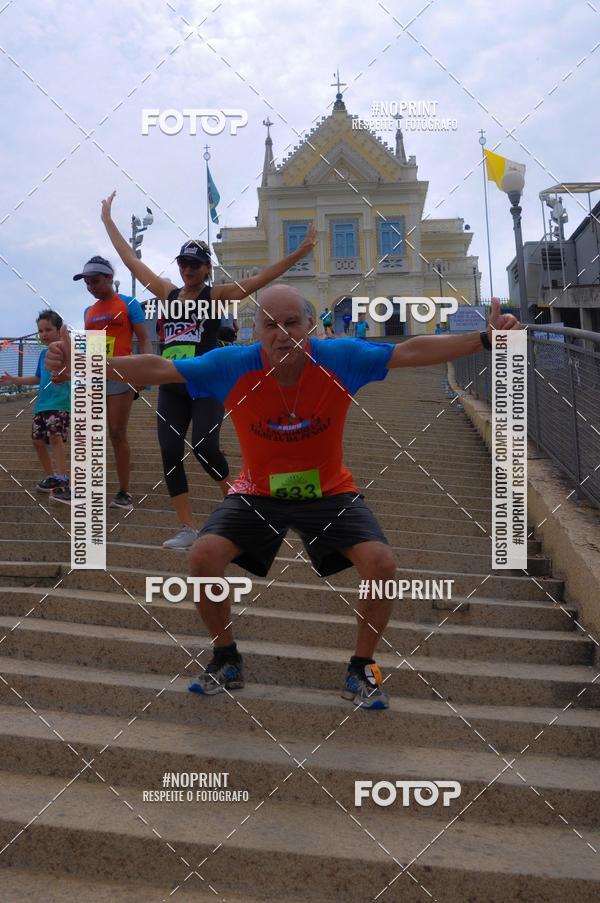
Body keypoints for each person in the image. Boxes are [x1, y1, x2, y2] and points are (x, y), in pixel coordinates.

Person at [46, 292, 520, 709]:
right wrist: (86, 363)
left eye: (292, 322)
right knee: (203, 556)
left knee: (381, 563)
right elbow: (159, 368)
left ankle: (362, 668)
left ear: (310, 325)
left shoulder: (340, 357)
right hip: (258, 491)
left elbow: (409, 350)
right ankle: (226, 658)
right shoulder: (232, 364)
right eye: (270, 324)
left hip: (328, 490)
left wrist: (484, 339)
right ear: (255, 330)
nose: (282, 333)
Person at [101, 191, 317, 549]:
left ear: (207, 269)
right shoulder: (167, 293)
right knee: (170, 451)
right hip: (170, 382)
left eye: (195, 264)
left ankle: (244, 507)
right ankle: (188, 528)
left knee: (205, 447)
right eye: (184, 263)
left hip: (205, 382)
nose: (188, 270)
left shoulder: (215, 295)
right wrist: (108, 221)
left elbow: (260, 280)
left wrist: (300, 252)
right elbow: (130, 260)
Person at [75, 254, 152, 510]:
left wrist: (143, 374)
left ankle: (124, 492)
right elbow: (91, 346)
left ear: (109, 278)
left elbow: (143, 339)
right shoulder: (88, 311)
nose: (91, 287)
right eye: (87, 283)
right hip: (95, 375)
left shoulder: (129, 303)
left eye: (95, 281)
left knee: (117, 432)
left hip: (122, 374)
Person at [0, 310, 71, 503]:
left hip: (60, 404)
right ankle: (52, 477)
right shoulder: (43, 354)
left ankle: (63, 481)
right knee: (38, 441)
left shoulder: (67, 350)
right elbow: (38, 378)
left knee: (55, 438)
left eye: (48, 329)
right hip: (42, 406)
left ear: (59, 330)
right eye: (40, 331)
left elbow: (77, 373)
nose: (44, 334)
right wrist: (15, 380)